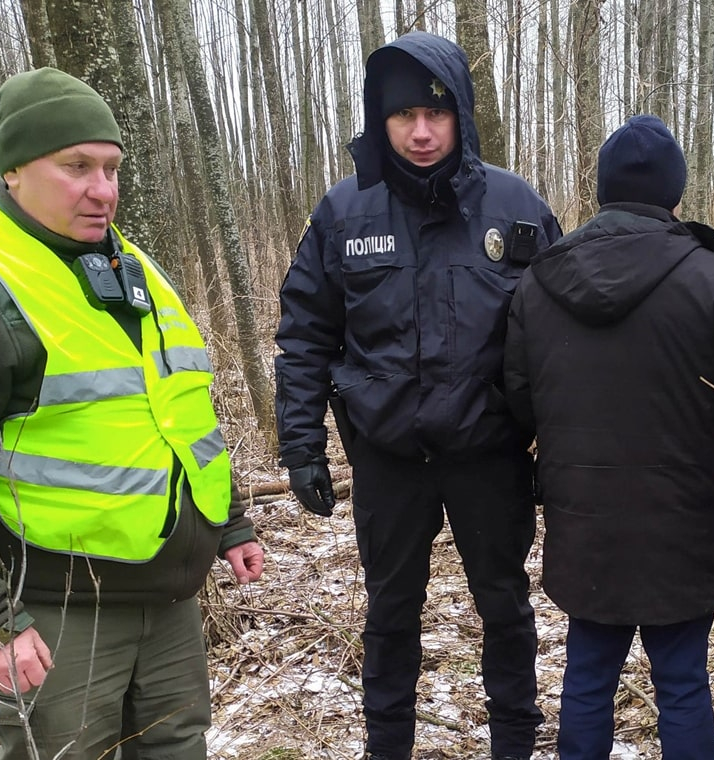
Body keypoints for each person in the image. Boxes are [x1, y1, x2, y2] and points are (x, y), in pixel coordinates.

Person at [0, 68, 264, 759]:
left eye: (111, 167)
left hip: (165, 595)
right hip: (51, 608)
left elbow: (180, 413)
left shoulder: (132, 268)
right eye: (76, 167)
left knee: (176, 745)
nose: (103, 189)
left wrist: (229, 522)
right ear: (13, 170)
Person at [274, 31, 561, 760]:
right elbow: (305, 335)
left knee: (505, 609)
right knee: (391, 613)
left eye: (436, 114)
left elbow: (560, 335)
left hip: (488, 452)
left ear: (461, 112)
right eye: (403, 117)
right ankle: (387, 748)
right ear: (381, 121)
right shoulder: (345, 212)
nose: (422, 132)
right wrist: (302, 445)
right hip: (389, 456)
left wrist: (559, 449)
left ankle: (515, 746)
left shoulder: (514, 205)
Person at [504, 115, 714, 759]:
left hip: (584, 520)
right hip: (683, 519)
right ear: (675, 195)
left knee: (589, 679)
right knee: (683, 684)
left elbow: (519, 403)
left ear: (602, 192)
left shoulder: (539, 283)